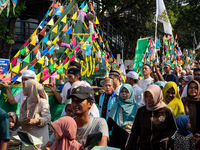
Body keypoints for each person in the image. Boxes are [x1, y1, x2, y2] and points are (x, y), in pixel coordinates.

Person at [44, 86, 109, 150]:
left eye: (79, 101)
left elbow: (102, 146)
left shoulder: (99, 123)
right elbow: (49, 145)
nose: (75, 104)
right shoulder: (65, 124)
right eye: (73, 101)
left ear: (90, 103)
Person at [125, 84, 177, 150]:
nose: (148, 99)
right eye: (146, 96)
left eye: (151, 97)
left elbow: (175, 129)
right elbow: (134, 132)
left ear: (157, 96)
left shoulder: (166, 110)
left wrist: (169, 138)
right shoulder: (141, 111)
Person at [20, 79, 51, 149]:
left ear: (31, 89)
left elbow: (47, 118)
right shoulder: (25, 102)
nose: (23, 89)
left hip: (38, 137)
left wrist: (34, 121)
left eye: (25, 87)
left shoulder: (42, 102)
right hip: (27, 136)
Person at [107, 84, 139, 150]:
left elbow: (139, 124)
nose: (124, 93)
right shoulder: (116, 104)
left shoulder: (135, 106)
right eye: (122, 91)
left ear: (130, 93)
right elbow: (110, 121)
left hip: (129, 137)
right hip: (116, 137)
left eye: (126, 92)